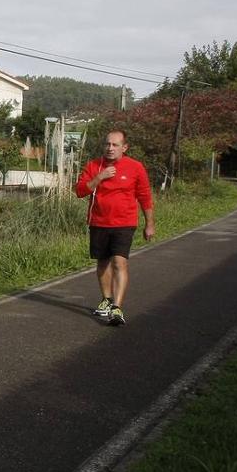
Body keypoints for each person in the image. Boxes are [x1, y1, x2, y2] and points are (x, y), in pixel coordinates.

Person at [75, 130, 154, 326]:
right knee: (103, 263)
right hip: (99, 222)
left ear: (124, 148)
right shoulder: (94, 165)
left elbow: (144, 196)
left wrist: (149, 224)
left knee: (119, 262)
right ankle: (107, 300)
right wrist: (99, 177)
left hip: (124, 223)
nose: (110, 148)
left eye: (115, 145)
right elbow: (80, 191)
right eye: (107, 144)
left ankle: (117, 308)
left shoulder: (135, 167)